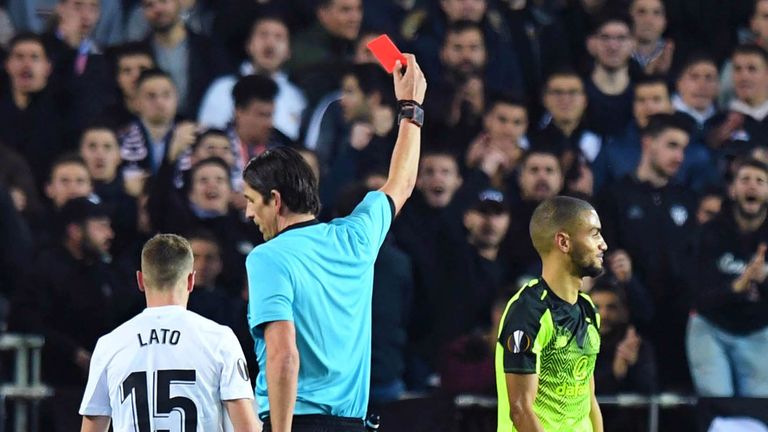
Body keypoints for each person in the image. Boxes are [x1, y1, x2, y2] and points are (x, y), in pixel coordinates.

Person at [243, 54, 426, 431]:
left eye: (250, 200)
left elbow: (283, 355)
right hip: (353, 423)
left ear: (275, 200)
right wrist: (412, 109)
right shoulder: (355, 239)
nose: (248, 213)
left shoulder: (268, 258)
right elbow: (402, 183)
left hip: (298, 422)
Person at [78, 233, 259, 432]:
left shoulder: (110, 344)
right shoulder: (219, 339)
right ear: (191, 280)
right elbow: (246, 428)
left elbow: (92, 427)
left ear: (140, 280)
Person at [496, 195, 606, 432]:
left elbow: (588, 397)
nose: (603, 244)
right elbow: (520, 409)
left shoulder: (588, 309)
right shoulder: (528, 312)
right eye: (594, 233)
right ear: (563, 242)